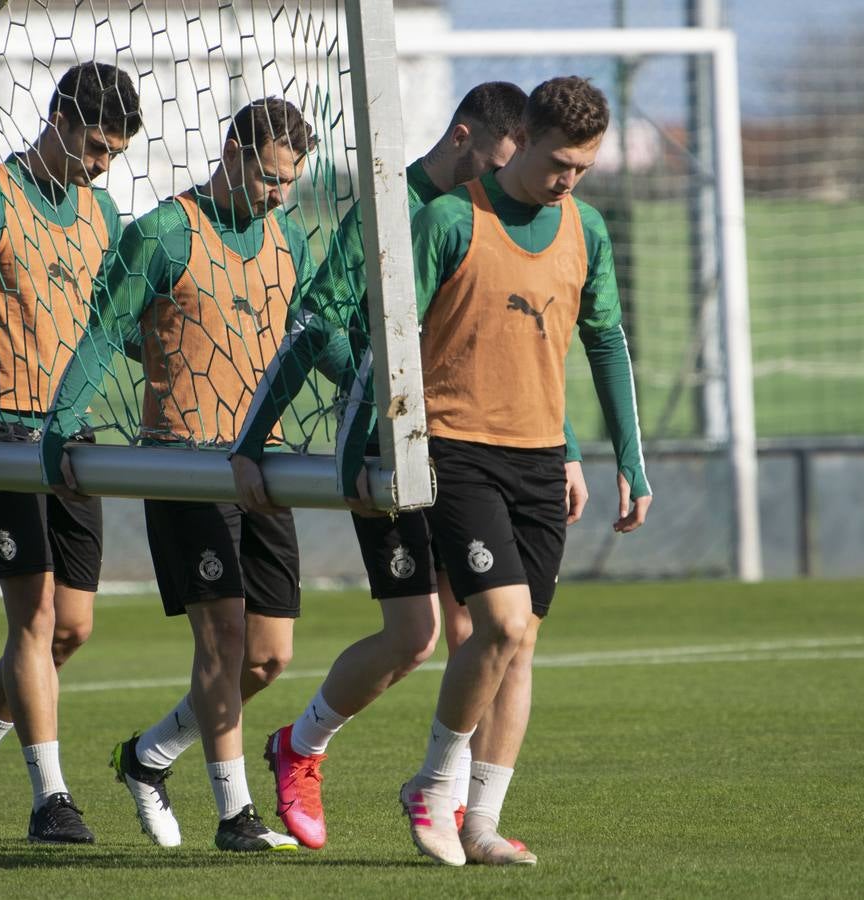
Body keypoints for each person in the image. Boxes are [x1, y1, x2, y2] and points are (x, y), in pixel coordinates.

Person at [227, 82, 587, 852]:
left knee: (488, 632)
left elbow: (526, 348)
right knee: (415, 635)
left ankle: (456, 806)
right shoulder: (392, 215)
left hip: (475, 456)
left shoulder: (503, 219)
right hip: (388, 451)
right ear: (465, 139)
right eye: (500, 158)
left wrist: (571, 449)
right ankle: (302, 746)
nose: (510, 176)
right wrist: (375, 392)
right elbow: (314, 324)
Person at [40, 97, 322, 852]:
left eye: (290, 183)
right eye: (269, 178)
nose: (278, 196)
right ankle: (236, 817)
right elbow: (102, 331)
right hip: (185, 464)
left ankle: (149, 756)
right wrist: (62, 424)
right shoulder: (164, 233)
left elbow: (317, 335)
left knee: (269, 657)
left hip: (264, 465)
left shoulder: (287, 236)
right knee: (223, 644)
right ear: (231, 152)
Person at [395, 76, 652, 866]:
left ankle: (481, 824)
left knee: (522, 644)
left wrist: (628, 465)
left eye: (583, 167)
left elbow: (604, 344)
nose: (568, 180)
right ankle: (434, 789)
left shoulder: (588, 231)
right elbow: (393, 337)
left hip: (542, 457)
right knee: (497, 624)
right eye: (558, 163)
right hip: (456, 447)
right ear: (526, 140)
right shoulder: (448, 218)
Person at [0, 62, 141, 844]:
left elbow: (123, 322)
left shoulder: (103, 213)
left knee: (72, 627)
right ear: (59, 119)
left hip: (69, 438)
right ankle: (51, 799)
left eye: (114, 153)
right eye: (97, 145)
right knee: (36, 617)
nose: (103, 164)